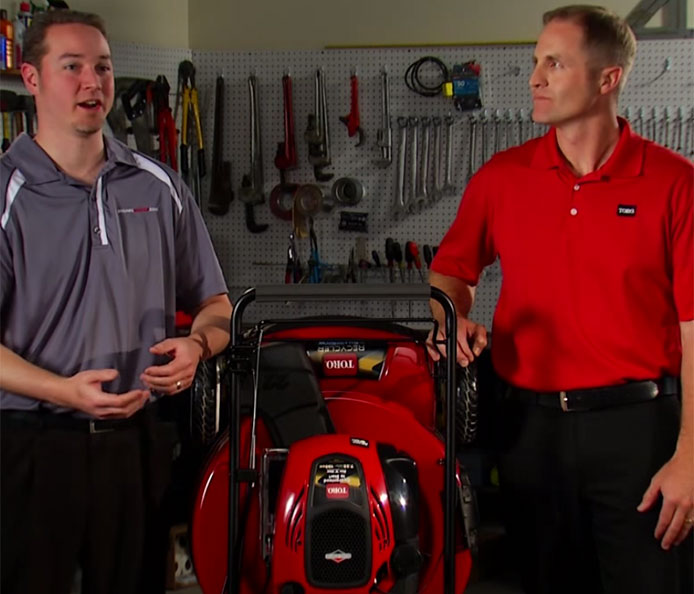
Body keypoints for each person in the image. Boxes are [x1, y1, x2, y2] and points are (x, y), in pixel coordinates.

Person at [428, 5, 693, 594]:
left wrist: (691, 458)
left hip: (640, 433)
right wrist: (454, 316)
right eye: (536, 62)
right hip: (530, 433)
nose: (535, 78)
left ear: (607, 79)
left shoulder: (675, 183)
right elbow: (450, 273)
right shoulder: (502, 177)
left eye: (555, 63)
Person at [0, 10, 232, 594]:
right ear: (31, 77)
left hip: (138, 444)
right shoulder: (6, 194)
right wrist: (62, 391)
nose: (92, 82)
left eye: (102, 67)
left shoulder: (160, 186)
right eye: (71, 66)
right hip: (31, 446)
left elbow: (217, 304)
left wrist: (198, 346)